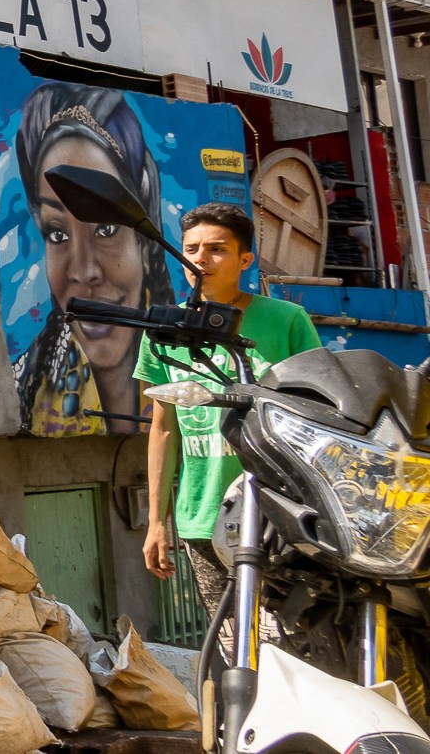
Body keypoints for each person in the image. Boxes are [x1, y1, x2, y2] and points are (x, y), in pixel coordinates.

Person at [138, 203, 322, 625]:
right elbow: (163, 430)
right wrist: (156, 521)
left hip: (282, 515)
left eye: (216, 249)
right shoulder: (165, 332)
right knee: (230, 644)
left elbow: (319, 411)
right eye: (190, 249)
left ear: (245, 260)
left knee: (290, 643)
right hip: (204, 520)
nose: (199, 259)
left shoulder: (286, 320)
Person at [13, 84, 177, 436]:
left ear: (146, 242)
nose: (84, 271)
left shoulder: (197, 373)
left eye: (106, 229)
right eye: (57, 233)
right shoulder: (24, 392)